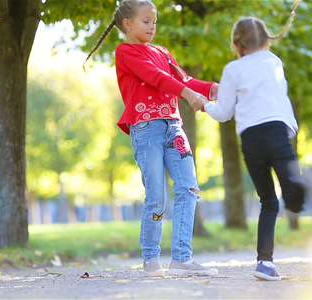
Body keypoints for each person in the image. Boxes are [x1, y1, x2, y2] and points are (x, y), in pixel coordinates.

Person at [84, 0, 218, 277]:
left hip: (174, 126)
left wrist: (212, 88)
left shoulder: (162, 51)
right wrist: (188, 95)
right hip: (146, 129)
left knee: (189, 188)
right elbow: (155, 77)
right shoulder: (125, 52)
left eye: (155, 21)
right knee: (157, 195)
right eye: (146, 21)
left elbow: (185, 79)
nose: (152, 26)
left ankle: (182, 258)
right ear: (128, 24)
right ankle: (151, 258)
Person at [200, 8, 305, 281]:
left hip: (251, 140)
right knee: (290, 186)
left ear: (236, 44)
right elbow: (280, 99)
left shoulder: (232, 69)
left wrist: (206, 106)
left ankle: (265, 263)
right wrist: (289, 130)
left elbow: (224, 113)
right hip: (277, 131)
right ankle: (296, 191)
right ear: (267, 42)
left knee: (268, 201)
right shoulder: (274, 62)